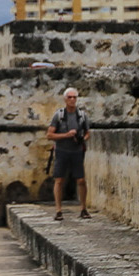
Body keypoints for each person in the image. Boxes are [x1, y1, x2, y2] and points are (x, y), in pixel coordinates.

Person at [46, 87, 91, 221]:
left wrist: (83, 138)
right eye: (69, 97)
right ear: (65, 99)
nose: (72, 100)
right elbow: (49, 135)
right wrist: (66, 135)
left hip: (77, 151)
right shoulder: (59, 116)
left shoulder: (82, 116)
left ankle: (83, 208)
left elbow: (88, 132)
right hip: (62, 151)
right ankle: (58, 210)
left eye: (74, 97)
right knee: (59, 180)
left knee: (81, 180)